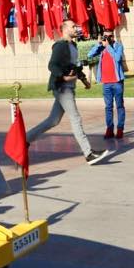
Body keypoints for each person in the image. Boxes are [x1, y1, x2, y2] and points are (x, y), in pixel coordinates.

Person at [27, 20, 108, 165]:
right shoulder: (60, 46)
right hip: (62, 88)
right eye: (73, 26)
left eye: (76, 26)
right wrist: (63, 77)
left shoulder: (73, 45)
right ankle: (88, 154)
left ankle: (25, 139)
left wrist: (84, 80)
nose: (76, 28)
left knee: (53, 120)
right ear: (65, 29)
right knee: (76, 118)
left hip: (69, 87)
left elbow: (74, 66)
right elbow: (52, 65)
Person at [88, 32, 126, 139]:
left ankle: (120, 129)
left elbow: (117, 58)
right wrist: (99, 44)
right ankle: (109, 129)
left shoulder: (118, 46)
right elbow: (90, 54)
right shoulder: (102, 48)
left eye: (108, 36)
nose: (107, 38)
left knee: (119, 106)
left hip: (117, 82)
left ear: (113, 37)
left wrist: (108, 46)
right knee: (108, 107)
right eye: (105, 36)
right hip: (106, 83)